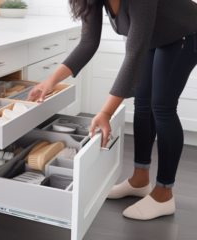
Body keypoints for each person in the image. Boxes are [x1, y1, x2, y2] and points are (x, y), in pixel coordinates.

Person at [27, 0, 197, 220]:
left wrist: (105, 113)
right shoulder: (92, 1)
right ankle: (139, 181)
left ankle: (164, 194)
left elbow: (135, 52)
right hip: (157, 37)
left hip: (185, 31)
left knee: (162, 107)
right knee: (143, 103)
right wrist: (50, 81)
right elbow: (88, 43)